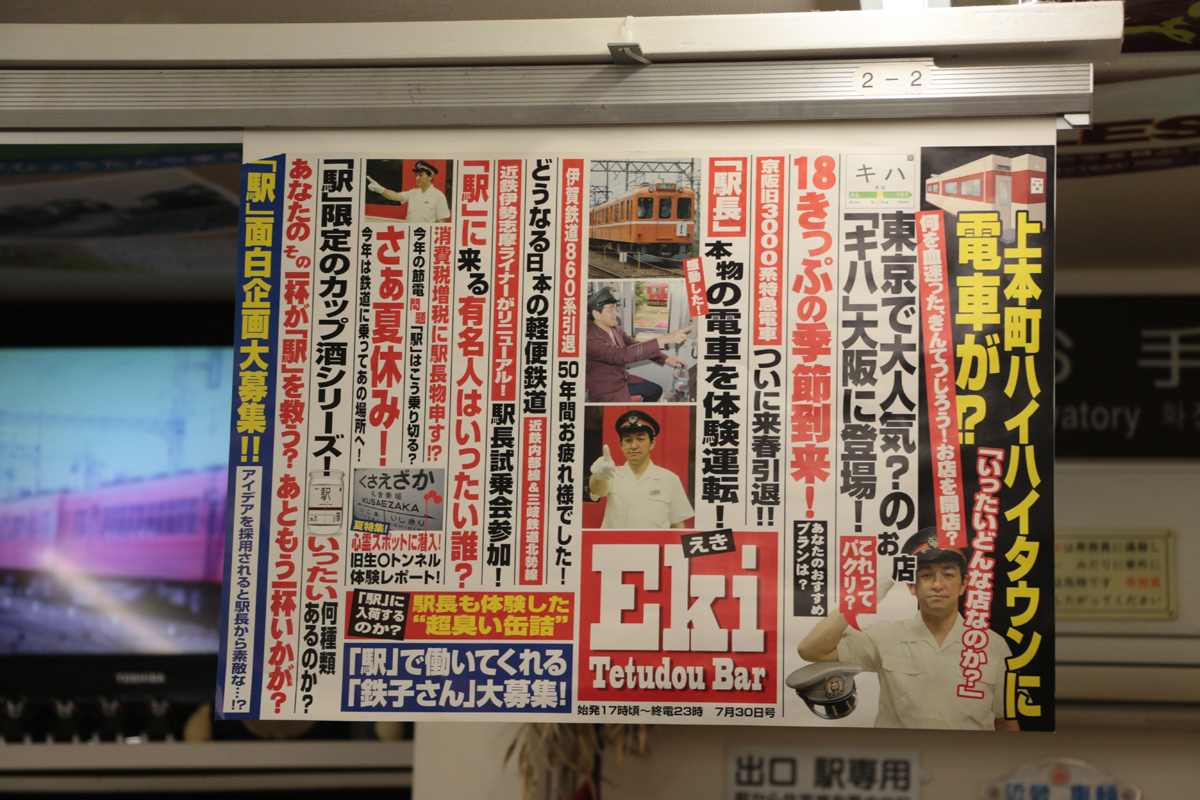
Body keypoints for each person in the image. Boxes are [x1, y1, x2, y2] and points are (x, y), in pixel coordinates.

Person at [795, 528, 1018, 730]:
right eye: (926, 575)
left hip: (967, 758)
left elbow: (1006, 721)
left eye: (948, 574)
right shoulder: (884, 637)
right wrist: (869, 594)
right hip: (901, 755)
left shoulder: (993, 645)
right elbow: (811, 650)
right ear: (911, 585)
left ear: (964, 584)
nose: (937, 585)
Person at [588, 410, 693, 529]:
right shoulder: (612, 474)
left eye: (640, 439)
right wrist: (598, 476)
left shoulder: (670, 479)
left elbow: (677, 524)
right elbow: (596, 491)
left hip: (654, 542)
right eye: (628, 440)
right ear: (621, 445)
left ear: (652, 443)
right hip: (616, 541)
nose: (633, 446)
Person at [586, 285, 691, 402]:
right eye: (611, 309)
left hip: (622, 379)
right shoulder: (589, 338)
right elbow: (621, 355)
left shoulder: (614, 328)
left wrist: (666, 358)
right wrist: (662, 339)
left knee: (655, 390)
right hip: (607, 389)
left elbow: (632, 344)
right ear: (596, 314)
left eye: (615, 308)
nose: (616, 314)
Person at [366, 160, 450, 223]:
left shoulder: (438, 196)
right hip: (410, 233)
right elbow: (395, 196)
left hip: (426, 235)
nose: (417, 178)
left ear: (430, 177)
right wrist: (380, 189)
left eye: (421, 175)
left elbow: (441, 221)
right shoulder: (413, 192)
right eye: (416, 175)